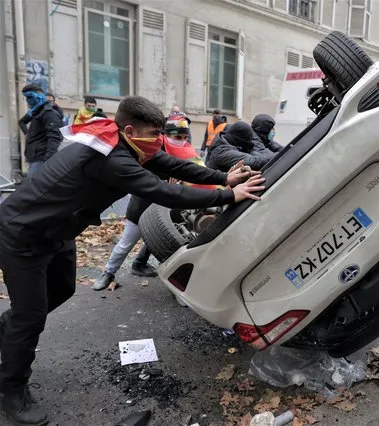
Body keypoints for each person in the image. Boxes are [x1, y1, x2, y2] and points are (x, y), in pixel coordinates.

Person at [0, 96, 265, 425]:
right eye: (155, 133)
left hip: (57, 231)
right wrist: (227, 196)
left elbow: (170, 164)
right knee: (31, 317)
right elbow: (164, 192)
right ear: (129, 129)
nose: (159, 140)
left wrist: (222, 177)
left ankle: (8, 331)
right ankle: (11, 387)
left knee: (63, 290)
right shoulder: (111, 158)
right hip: (22, 233)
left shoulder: (123, 141)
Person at [93, 113, 209, 291]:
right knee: (126, 243)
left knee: (158, 241)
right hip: (142, 208)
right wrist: (165, 185)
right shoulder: (150, 151)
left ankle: (140, 264)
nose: (182, 141)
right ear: (165, 135)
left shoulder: (184, 153)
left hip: (164, 212)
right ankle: (108, 272)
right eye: (178, 137)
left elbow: (194, 173)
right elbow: (143, 180)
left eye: (185, 137)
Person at [19, 84, 64, 176]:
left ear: (38, 95)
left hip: (41, 159)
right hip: (35, 158)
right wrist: (27, 133)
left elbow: (54, 137)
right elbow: (22, 122)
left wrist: (47, 161)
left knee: (34, 188)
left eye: (30, 97)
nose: (28, 101)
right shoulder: (37, 112)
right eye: (26, 98)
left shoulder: (49, 113)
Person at [206, 121, 275, 172]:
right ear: (240, 140)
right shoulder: (222, 151)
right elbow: (253, 161)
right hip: (218, 189)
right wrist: (275, 156)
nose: (250, 142)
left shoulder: (228, 140)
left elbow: (254, 153)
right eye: (248, 140)